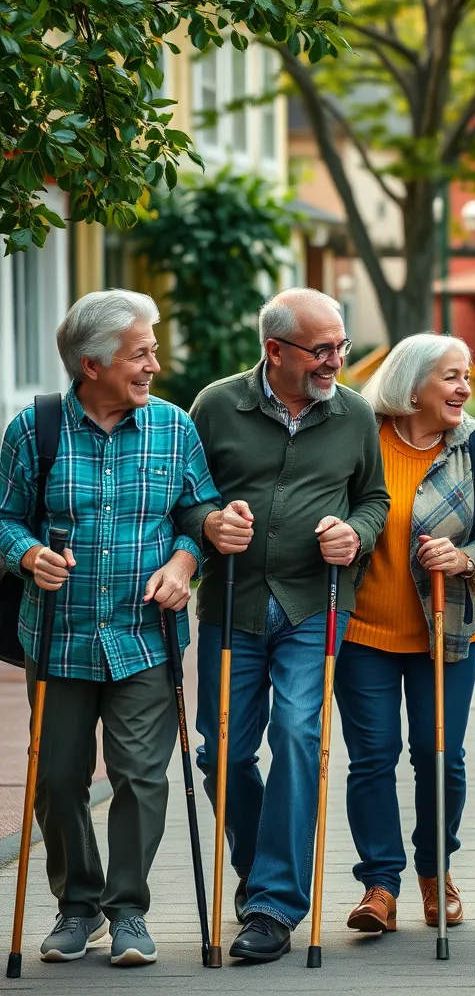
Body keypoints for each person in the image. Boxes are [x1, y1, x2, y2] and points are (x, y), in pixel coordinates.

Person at [0, 290, 221, 967]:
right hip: (58, 635)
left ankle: (127, 911)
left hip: (144, 636)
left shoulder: (174, 428)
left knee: (141, 776)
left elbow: (199, 515)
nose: (155, 363)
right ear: (92, 365)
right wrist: (26, 554)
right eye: (141, 353)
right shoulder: (32, 430)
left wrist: (185, 564)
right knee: (58, 780)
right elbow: (4, 519)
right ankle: (77, 906)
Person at [181, 288, 389, 962]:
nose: (335, 361)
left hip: (316, 603)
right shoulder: (216, 406)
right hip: (232, 604)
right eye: (321, 349)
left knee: (298, 736)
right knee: (225, 754)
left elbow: (374, 499)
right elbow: (182, 495)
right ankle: (257, 868)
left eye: (341, 347)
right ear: (275, 350)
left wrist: (353, 535)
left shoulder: (354, 414)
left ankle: (274, 903)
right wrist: (209, 523)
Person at [337, 333, 475, 934]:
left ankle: (436, 873)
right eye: (452, 377)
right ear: (413, 386)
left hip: (446, 631)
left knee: (442, 758)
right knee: (372, 760)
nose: (465, 388)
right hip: (362, 634)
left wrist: (463, 559)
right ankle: (381, 884)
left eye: (467, 376)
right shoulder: (361, 437)